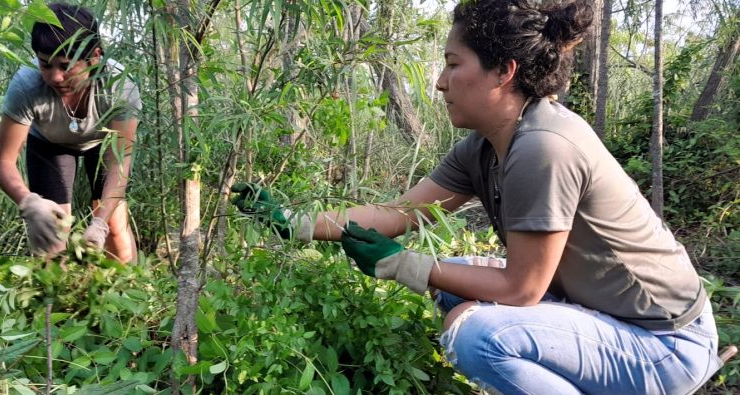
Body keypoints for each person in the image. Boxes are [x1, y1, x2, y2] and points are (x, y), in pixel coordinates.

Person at [231, 0, 723, 392]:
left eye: (452, 64)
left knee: (476, 334)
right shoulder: (483, 147)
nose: (440, 82)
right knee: (456, 285)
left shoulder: (544, 146)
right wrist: (292, 220)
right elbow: (396, 213)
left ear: (503, 72)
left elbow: (521, 290)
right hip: (605, 318)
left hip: (664, 344)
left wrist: (399, 265)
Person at [0, 2, 141, 263]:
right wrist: (28, 202)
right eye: (45, 65)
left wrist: (100, 224)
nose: (55, 77)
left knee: (115, 229)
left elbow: (120, 163)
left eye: (65, 66)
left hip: (103, 143)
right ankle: (58, 301)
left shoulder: (121, 87)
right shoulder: (26, 84)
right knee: (53, 235)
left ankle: (126, 298)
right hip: (50, 144)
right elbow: (5, 163)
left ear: (94, 57)